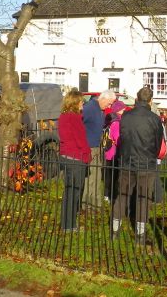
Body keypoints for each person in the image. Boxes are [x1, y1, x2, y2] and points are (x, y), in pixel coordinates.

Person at [111, 86, 163, 247]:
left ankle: (115, 230)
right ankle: (140, 234)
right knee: (143, 199)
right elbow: (158, 143)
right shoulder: (155, 119)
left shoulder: (126, 116)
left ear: (136, 98)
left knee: (122, 196)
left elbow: (123, 137)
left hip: (127, 161)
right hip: (146, 164)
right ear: (150, 100)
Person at [57, 89, 90, 232]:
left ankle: (67, 223)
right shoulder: (74, 118)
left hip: (66, 156)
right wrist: (87, 155)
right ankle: (69, 225)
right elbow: (80, 140)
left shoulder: (63, 116)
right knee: (74, 192)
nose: (83, 104)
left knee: (69, 191)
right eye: (81, 101)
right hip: (76, 157)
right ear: (75, 102)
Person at [82, 89, 117, 207]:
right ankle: (87, 204)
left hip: (97, 147)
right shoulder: (89, 108)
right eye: (109, 103)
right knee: (90, 178)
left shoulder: (100, 109)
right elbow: (79, 123)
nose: (110, 106)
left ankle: (95, 203)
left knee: (97, 176)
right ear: (103, 98)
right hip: (89, 148)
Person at [102, 99, 129, 202]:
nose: (124, 110)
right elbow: (118, 139)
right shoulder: (117, 123)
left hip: (108, 152)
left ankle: (107, 194)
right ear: (118, 110)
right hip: (114, 152)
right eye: (122, 109)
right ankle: (110, 195)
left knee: (109, 174)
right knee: (114, 175)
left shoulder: (110, 120)